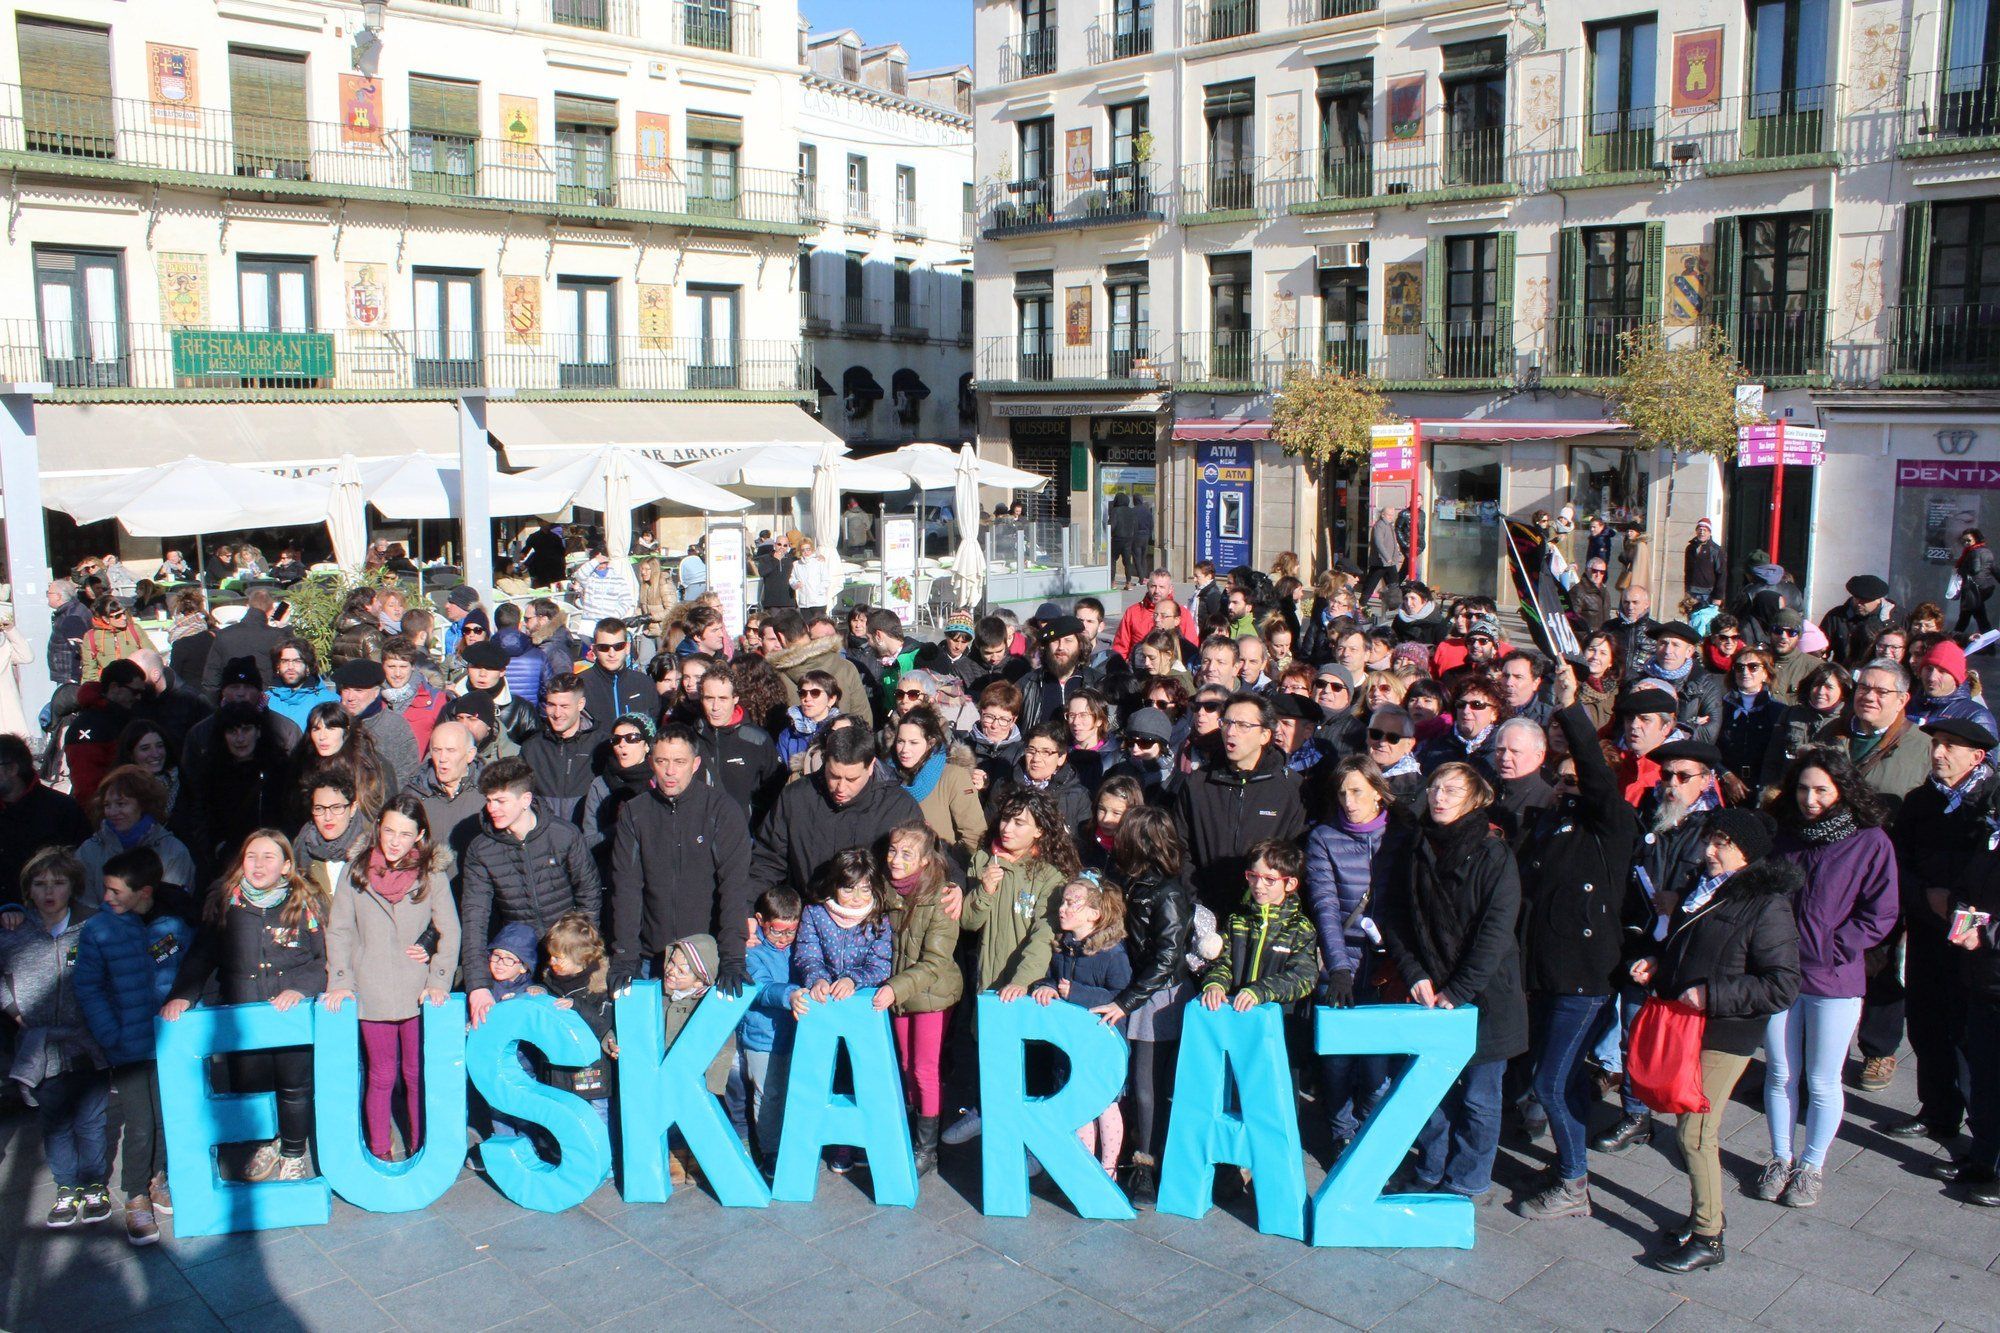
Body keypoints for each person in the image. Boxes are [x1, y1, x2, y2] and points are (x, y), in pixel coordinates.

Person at [1634, 808, 1801, 1273]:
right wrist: (1657, 965)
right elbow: (1689, 950)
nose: (1709, 850)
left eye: (1721, 842)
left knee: (1695, 1133)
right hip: (1688, 1024)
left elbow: (1783, 984)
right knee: (1690, 1128)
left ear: (1746, 851)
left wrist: (1713, 995)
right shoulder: (1707, 888)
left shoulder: (1766, 904)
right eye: (1710, 839)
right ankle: (1701, 1219)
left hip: (1726, 1031)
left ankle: (1709, 1235)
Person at [1513, 671, 1645, 1220]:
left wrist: (1571, 709)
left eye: (1577, 783)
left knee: (1550, 1078)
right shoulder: (1550, 826)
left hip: (1586, 977)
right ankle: (1568, 1160)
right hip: (1543, 972)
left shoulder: (1613, 826)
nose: (1568, 789)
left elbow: (1593, 772)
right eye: (1560, 781)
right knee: (1555, 1073)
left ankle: (1573, 1184)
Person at [1380, 761, 1527, 1200]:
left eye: (1452, 791)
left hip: (1485, 995)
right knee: (1427, 1090)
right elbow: (1398, 918)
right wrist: (1415, 974)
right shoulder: (1415, 845)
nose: (1439, 797)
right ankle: (1430, 1167)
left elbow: (1496, 933)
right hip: (1428, 989)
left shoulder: (1493, 853)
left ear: (1474, 799)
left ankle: (1467, 1179)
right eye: (1435, 788)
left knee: (1480, 1097)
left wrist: (1457, 990)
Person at [163, 829, 328, 1182]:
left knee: (293, 1086)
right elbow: (203, 954)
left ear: (286, 866)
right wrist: (183, 993)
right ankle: (265, 1143)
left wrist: (300, 989)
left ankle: (293, 1150)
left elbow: (320, 960)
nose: (258, 864)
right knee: (251, 1083)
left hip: (290, 1018)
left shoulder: (304, 904)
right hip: (244, 1015)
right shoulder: (227, 903)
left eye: (269, 857)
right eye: (252, 856)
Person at [321, 795, 459, 1162]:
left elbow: (450, 931)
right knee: (382, 1075)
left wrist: (439, 979)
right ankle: (379, 1151)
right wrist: (340, 980)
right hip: (372, 988)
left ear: (420, 836)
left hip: (417, 990)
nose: (395, 841)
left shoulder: (432, 875)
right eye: (389, 830)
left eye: (405, 833)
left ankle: (420, 1146)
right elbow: (339, 931)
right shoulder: (357, 872)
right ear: (378, 827)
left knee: (415, 1073)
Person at [1886, 717, 2000, 1144]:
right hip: (1927, 927)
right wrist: (1926, 897)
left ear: (1977, 756)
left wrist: (1958, 910)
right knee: (1926, 1021)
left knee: (1968, 1035)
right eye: (1936, 743)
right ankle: (1937, 1111)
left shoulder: (1989, 803)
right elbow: (1900, 862)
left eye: (1950, 746)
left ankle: (1981, 1134)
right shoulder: (1920, 802)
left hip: (1976, 940)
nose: (1939, 753)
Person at [73, 846, 188, 1243]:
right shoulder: (100, 930)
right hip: (128, 1045)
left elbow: (184, 974)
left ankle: (159, 1177)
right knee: (139, 1124)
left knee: (164, 1115)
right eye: (105, 890)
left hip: (167, 1040)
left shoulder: (169, 925)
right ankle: (135, 1194)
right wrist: (110, 1034)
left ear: (145, 893)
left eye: (116, 892)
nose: (107, 899)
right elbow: (87, 987)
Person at [2, 850, 108, 1228]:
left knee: (91, 1119)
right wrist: (14, 1010)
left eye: (58, 883)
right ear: (28, 889)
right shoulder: (13, 930)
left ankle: (95, 1183)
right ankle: (66, 1187)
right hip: (39, 1043)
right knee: (55, 1119)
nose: (49, 892)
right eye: (40, 884)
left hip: (87, 1040)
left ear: (73, 887)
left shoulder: (92, 925)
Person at [607, 724, 753, 993]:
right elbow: (626, 888)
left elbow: (734, 888)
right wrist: (625, 956)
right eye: (662, 761)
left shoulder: (721, 811)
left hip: (705, 959)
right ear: (651, 762)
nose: (670, 771)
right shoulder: (635, 812)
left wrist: (733, 957)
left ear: (695, 764)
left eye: (679, 762)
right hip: (653, 956)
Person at [458, 758, 602, 1027]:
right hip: (518, 963)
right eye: (489, 800)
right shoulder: (481, 849)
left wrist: (578, 952)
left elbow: (589, 895)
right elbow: (474, 918)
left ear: (525, 799)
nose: (492, 808)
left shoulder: (563, 835)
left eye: (501, 801)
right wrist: (477, 984)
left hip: (567, 962)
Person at [789, 848, 895, 1173]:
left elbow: (880, 963)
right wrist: (817, 978)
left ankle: (859, 1144)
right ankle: (830, 1143)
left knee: (860, 1076)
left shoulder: (879, 917)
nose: (855, 897)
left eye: (864, 888)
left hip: (862, 1013)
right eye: (848, 888)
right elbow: (807, 952)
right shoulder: (815, 914)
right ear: (835, 885)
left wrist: (854, 979)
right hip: (824, 1012)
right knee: (826, 1076)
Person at [1030, 877, 1134, 1179]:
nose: (1062, 908)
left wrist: (1075, 993)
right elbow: (1049, 977)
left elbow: (1122, 995)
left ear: (1094, 914)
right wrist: (1046, 987)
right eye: (1062, 901)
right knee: (1078, 1104)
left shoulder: (1113, 953)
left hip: (1102, 1045)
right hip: (1070, 1044)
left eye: (1071, 903)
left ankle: (1109, 1167)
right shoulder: (1063, 947)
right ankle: (1084, 1167)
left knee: (1105, 1105)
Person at [1174, 692, 1307, 916]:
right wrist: (1196, 902)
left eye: (1243, 725)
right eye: (1226, 723)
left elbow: (1296, 854)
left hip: (1265, 915)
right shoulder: (1198, 784)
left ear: (1265, 735)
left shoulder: (1290, 789)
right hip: (1204, 911)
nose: (1231, 732)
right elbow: (1179, 848)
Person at [734, 886, 800, 1171]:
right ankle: (771, 1151)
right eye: (777, 932)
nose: (784, 939)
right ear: (760, 920)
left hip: (793, 1035)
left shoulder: (799, 946)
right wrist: (791, 995)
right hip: (762, 1037)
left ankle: (789, 1144)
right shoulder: (752, 951)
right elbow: (758, 988)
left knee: (786, 1092)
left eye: (790, 932)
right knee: (768, 1095)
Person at [75, 766, 195, 909]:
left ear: (143, 804)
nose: (112, 812)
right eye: (107, 805)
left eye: (121, 804)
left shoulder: (173, 851)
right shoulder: (89, 850)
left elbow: (173, 907)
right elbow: (82, 907)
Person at [691, 667, 781, 828]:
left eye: (723, 698)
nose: (715, 706)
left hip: (742, 833)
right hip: (697, 832)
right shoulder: (688, 738)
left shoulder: (757, 740)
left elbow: (772, 794)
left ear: (735, 698)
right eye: (709, 698)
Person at [518, 672, 605, 825]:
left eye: (564, 706)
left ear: (580, 704)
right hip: (545, 836)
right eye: (551, 705)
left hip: (587, 838)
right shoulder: (532, 747)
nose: (557, 714)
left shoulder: (602, 745)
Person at [765, 610, 874, 729]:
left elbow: (775, 724)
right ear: (806, 628)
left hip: (796, 746)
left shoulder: (776, 675)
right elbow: (862, 718)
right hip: (842, 743)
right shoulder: (846, 667)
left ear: (780, 637)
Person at [331, 658, 422, 793]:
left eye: (358, 690)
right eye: (346, 689)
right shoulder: (333, 723)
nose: (350, 697)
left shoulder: (395, 727)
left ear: (375, 693)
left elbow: (406, 776)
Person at [1910, 640, 1999, 736]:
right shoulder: (1908, 705)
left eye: (1942, 671)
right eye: (1928, 669)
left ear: (1956, 678)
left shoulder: (1976, 717)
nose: (1932, 677)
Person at [380, 639, 449, 755]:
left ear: (412, 667)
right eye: (391, 667)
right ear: (383, 666)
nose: (397, 674)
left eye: (403, 667)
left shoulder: (436, 700)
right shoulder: (373, 698)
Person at [265, 638, 337, 733]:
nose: (290, 667)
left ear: (308, 667)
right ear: (277, 666)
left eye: (297, 661)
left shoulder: (329, 701)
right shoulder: (264, 701)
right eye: (285, 661)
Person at [1957, 527, 1999, 635]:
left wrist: (1960, 569)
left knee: (1964, 620)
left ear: (1975, 539)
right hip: (1983, 589)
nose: (1966, 543)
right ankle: (1989, 646)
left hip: (1972, 591)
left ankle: (1951, 643)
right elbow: (1994, 569)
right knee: (1980, 619)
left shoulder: (1973, 552)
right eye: (1964, 541)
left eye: (1968, 540)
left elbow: (1975, 569)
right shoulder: (1987, 552)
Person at [1684, 519, 1726, 607]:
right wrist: (1687, 590)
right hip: (1692, 593)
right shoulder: (1690, 548)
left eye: (1705, 530)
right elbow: (1687, 571)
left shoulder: (1715, 550)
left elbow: (1721, 574)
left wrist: (1718, 597)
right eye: (1700, 529)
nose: (1702, 532)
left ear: (1709, 533)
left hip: (1708, 594)